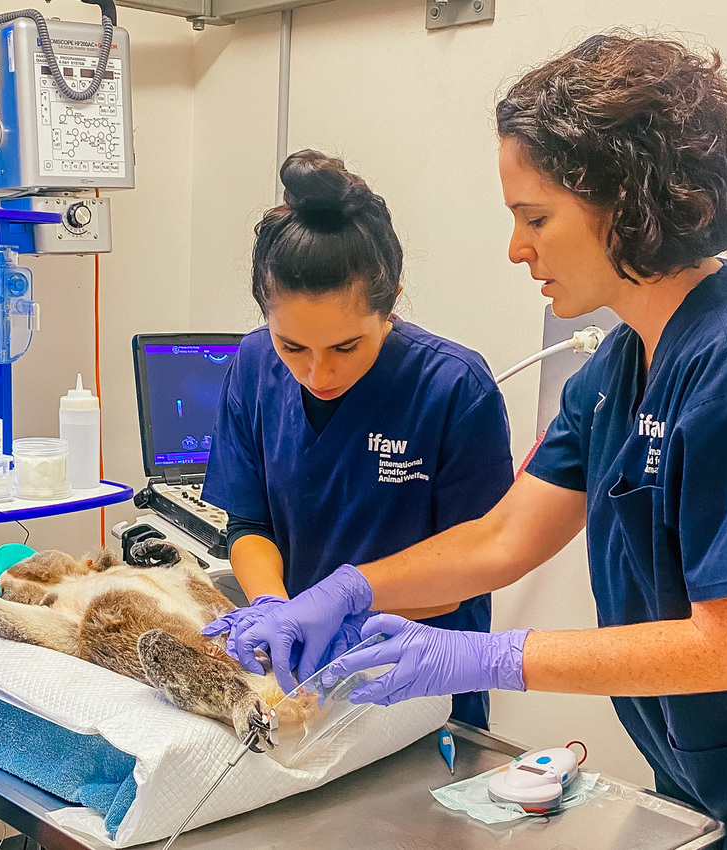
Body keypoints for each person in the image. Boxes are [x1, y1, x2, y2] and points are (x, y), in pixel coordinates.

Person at [223, 34, 727, 849]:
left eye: (535, 218)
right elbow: (502, 538)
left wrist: (491, 658)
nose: (516, 248)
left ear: (630, 204)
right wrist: (347, 591)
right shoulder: (616, 365)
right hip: (684, 771)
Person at [199, 150, 514, 729]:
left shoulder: (452, 388)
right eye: (292, 347)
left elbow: (474, 564)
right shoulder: (251, 366)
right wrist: (274, 607)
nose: (318, 375)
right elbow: (249, 523)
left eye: (346, 347)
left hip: (419, 686)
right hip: (300, 680)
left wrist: (348, 610)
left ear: (390, 302)